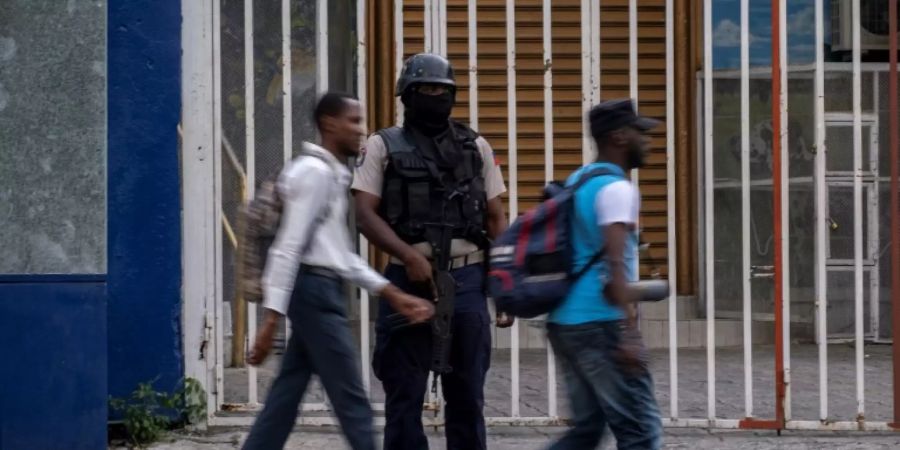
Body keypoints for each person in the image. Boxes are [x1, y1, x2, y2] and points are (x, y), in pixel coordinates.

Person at [242, 92, 435, 450]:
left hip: (316, 289)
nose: (361, 130)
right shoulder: (314, 174)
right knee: (353, 402)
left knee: (285, 396)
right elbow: (289, 246)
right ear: (329, 124)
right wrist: (271, 320)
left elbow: (341, 256)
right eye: (354, 121)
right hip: (314, 293)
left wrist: (392, 293)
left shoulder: (327, 173)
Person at [352, 53, 511, 450]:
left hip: (469, 279)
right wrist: (408, 255)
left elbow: (495, 218)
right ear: (407, 95)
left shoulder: (475, 146)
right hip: (408, 283)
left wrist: (504, 284)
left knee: (467, 395)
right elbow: (364, 214)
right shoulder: (381, 145)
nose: (435, 97)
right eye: (426, 90)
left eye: (443, 90)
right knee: (403, 395)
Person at [546, 99, 663, 450]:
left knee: (587, 429)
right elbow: (616, 273)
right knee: (640, 430)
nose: (649, 140)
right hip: (600, 324)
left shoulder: (579, 179)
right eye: (640, 132)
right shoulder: (618, 189)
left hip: (565, 320)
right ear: (619, 137)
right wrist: (628, 335)